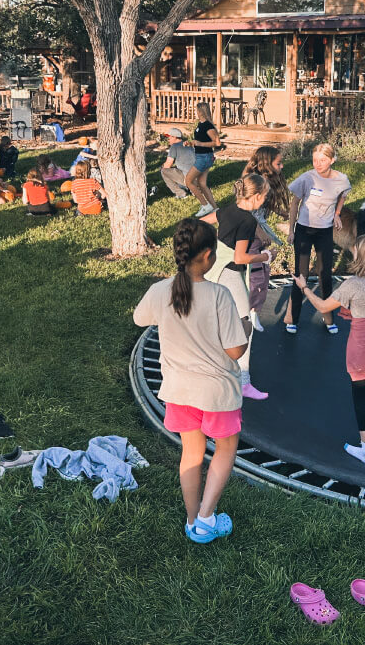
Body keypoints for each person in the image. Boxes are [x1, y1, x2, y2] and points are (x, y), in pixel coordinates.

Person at [133, 218, 247, 544]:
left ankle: (193, 519)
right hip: (217, 392)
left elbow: (140, 318)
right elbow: (235, 350)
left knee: (191, 453)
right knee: (225, 449)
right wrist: (246, 328)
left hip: (179, 390)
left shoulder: (160, 290)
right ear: (208, 255)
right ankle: (207, 519)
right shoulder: (219, 295)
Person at [293, 235, 365, 464]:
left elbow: (322, 306)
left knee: (359, 395)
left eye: (355, 249)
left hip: (363, 347)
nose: (352, 251)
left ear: (362, 255)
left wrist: (304, 287)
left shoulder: (353, 285)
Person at [205, 173, 276, 400]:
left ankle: (214, 373)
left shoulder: (227, 210)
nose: (264, 201)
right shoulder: (248, 221)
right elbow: (240, 257)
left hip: (212, 268)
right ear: (256, 196)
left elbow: (202, 222)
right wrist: (265, 257)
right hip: (229, 272)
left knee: (218, 322)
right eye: (264, 196)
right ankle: (243, 381)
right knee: (245, 325)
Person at [286, 143, 351, 335]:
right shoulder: (307, 178)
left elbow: (342, 196)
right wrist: (291, 230)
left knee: (325, 275)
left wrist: (337, 213)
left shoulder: (342, 179)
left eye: (323, 160)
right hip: (304, 230)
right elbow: (294, 204)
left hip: (325, 231)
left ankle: (328, 318)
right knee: (301, 274)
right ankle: (294, 319)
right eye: (315, 160)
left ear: (332, 160)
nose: (318, 164)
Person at [242, 146, 289, 331]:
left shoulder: (264, 180)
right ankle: (248, 311)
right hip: (250, 234)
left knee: (263, 271)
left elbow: (263, 205)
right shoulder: (252, 182)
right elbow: (246, 212)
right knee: (255, 275)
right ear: (266, 164)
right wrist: (261, 233)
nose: (282, 166)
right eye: (278, 163)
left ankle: (254, 310)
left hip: (258, 233)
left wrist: (279, 211)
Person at [189, 102, 221, 217]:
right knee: (202, 183)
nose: (195, 112)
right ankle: (215, 209)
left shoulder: (208, 125)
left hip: (204, 157)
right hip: (202, 156)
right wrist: (192, 143)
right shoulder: (200, 124)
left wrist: (200, 144)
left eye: (196, 110)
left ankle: (205, 205)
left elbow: (217, 143)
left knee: (188, 181)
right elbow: (200, 140)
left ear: (201, 111)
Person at [160, 127, 195, 199]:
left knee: (164, 171)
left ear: (174, 137)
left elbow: (167, 165)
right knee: (178, 169)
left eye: (169, 137)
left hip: (188, 178)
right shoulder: (189, 146)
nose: (168, 139)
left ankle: (181, 194)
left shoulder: (174, 146)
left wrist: (162, 166)